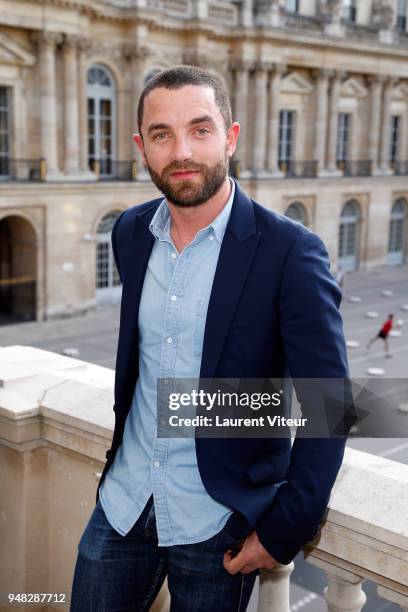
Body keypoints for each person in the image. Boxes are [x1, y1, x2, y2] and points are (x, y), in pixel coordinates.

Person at [70, 65, 352, 612]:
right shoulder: (130, 233)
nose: (182, 151)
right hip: (124, 502)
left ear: (231, 136)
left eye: (200, 129)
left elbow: (332, 402)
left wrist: (284, 528)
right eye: (162, 135)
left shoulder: (291, 252)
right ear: (141, 147)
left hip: (216, 523)